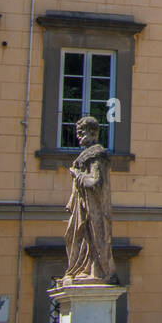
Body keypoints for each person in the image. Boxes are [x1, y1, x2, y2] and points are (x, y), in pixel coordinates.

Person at [62, 115, 117, 284]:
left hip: (94, 209)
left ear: (92, 132)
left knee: (93, 237)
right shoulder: (86, 155)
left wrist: (77, 175)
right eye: (77, 133)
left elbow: (96, 181)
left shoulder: (97, 155)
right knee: (73, 237)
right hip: (83, 206)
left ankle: (94, 270)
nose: (78, 136)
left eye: (81, 132)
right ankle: (80, 270)